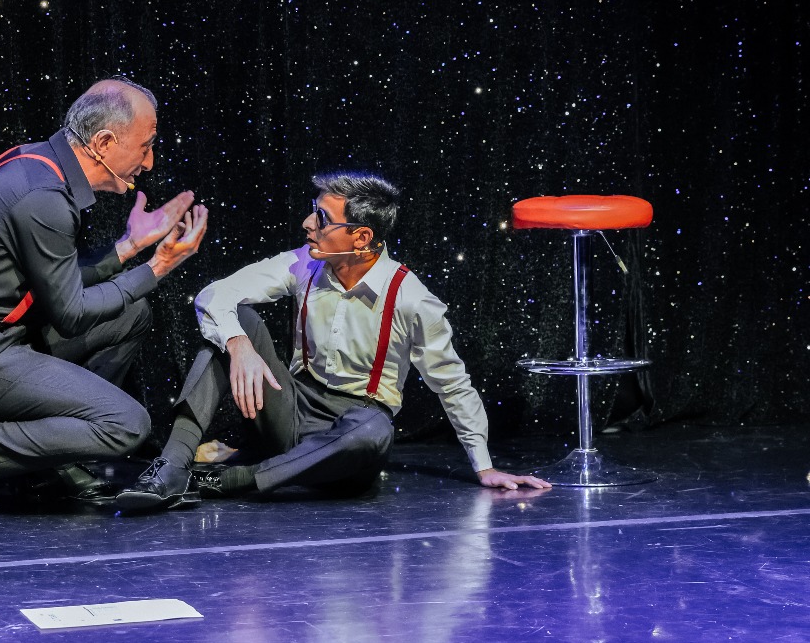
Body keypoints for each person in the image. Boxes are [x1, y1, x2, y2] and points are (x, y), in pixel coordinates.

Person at [115, 172, 548, 512]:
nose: (308, 224)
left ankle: (227, 480)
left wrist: (484, 465)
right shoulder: (305, 263)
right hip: (291, 409)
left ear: (361, 237)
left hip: (352, 433)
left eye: (321, 218)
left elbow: (452, 383)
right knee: (232, 323)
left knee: (373, 430)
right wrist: (239, 344)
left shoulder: (411, 298)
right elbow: (216, 294)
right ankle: (172, 466)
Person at [0, 77, 208, 525]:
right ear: (103, 143)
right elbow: (71, 314)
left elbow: (54, 285)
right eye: (144, 147)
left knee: (130, 313)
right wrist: (158, 267)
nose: (149, 162)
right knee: (127, 424)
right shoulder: (43, 196)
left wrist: (129, 247)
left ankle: (53, 454)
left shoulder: (41, 166)